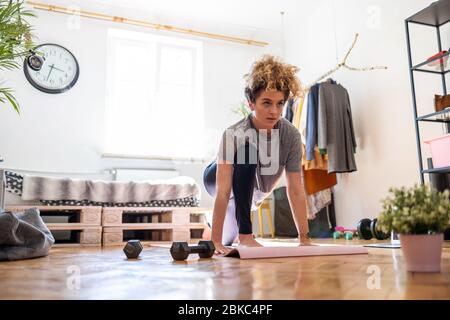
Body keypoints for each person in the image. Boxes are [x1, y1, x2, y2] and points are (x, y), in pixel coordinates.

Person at [203, 55, 311, 254]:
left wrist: (304, 238)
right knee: (247, 151)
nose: (274, 111)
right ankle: (245, 235)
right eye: (267, 103)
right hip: (217, 178)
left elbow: (295, 189)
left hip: (249, 193)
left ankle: (213, 227)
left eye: (280, 104)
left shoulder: (291, 136)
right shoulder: (234, 134)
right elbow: (224, 191)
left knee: (228, 238)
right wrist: (216, 243)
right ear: (251, 103)